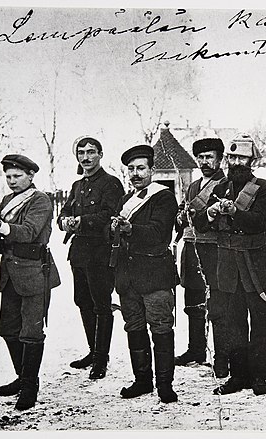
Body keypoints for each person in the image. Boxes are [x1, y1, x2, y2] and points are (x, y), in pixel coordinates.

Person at [193, 133, 266, 396]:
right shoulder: (219, 188)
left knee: (260, 321)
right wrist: (209, 213)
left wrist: (235, 213)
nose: (236, 162)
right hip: (228, 264)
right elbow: (199, 223)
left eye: (242, 157)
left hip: (256, 265)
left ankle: (259, 377)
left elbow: (261, 223)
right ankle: (237, 376)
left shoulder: (265, 187)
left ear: (252, 159)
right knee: (233, 323)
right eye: (232, 157)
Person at [0, 154, 61, 410]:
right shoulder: (7, 201)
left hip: (34, 273)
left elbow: (28, 232)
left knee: (31, 332)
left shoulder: (40, 200)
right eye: (8, 177)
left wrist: (1, 227)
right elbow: (3, 240)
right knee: (7, 328)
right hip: (10, 273)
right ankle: (23, 377)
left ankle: (29, 387)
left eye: (17, 176)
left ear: (30, 176)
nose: (12, 181)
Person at [111, 144, 179, 403]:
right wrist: (114, 229)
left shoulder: (163, 197)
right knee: (134, 328)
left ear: (152, 170)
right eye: (131, 169)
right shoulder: (126, 199)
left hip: (154, 275)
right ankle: (142, 381)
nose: (136, 173)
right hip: (128, 278)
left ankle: (165, 385)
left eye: (141, 168)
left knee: (161, 327)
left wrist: (129, 229)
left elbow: (158, 233)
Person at [58, 136, 124, 380]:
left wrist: (82, 221)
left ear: (101, 154)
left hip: (100, 253)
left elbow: (110, 213)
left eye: (91, 152)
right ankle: (92, 351)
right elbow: (65, 210)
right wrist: (64, 221)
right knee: (83, 302)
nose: (85, 157)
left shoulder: (111, 183)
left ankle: (100, 359)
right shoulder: (77, 186)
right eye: (81, 153)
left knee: (101, 305)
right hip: (79, 254)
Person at [174, 137, 229, 377]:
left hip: (214, 250)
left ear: (220, 159)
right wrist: (180, 217)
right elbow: (183, 213)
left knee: (217, 305)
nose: (205, 162)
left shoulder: (225, 185)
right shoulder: (193, 186)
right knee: (192, 302)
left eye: (209, 157)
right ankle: (195, 349)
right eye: (201, 157)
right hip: (191, 247)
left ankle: (221, 356)